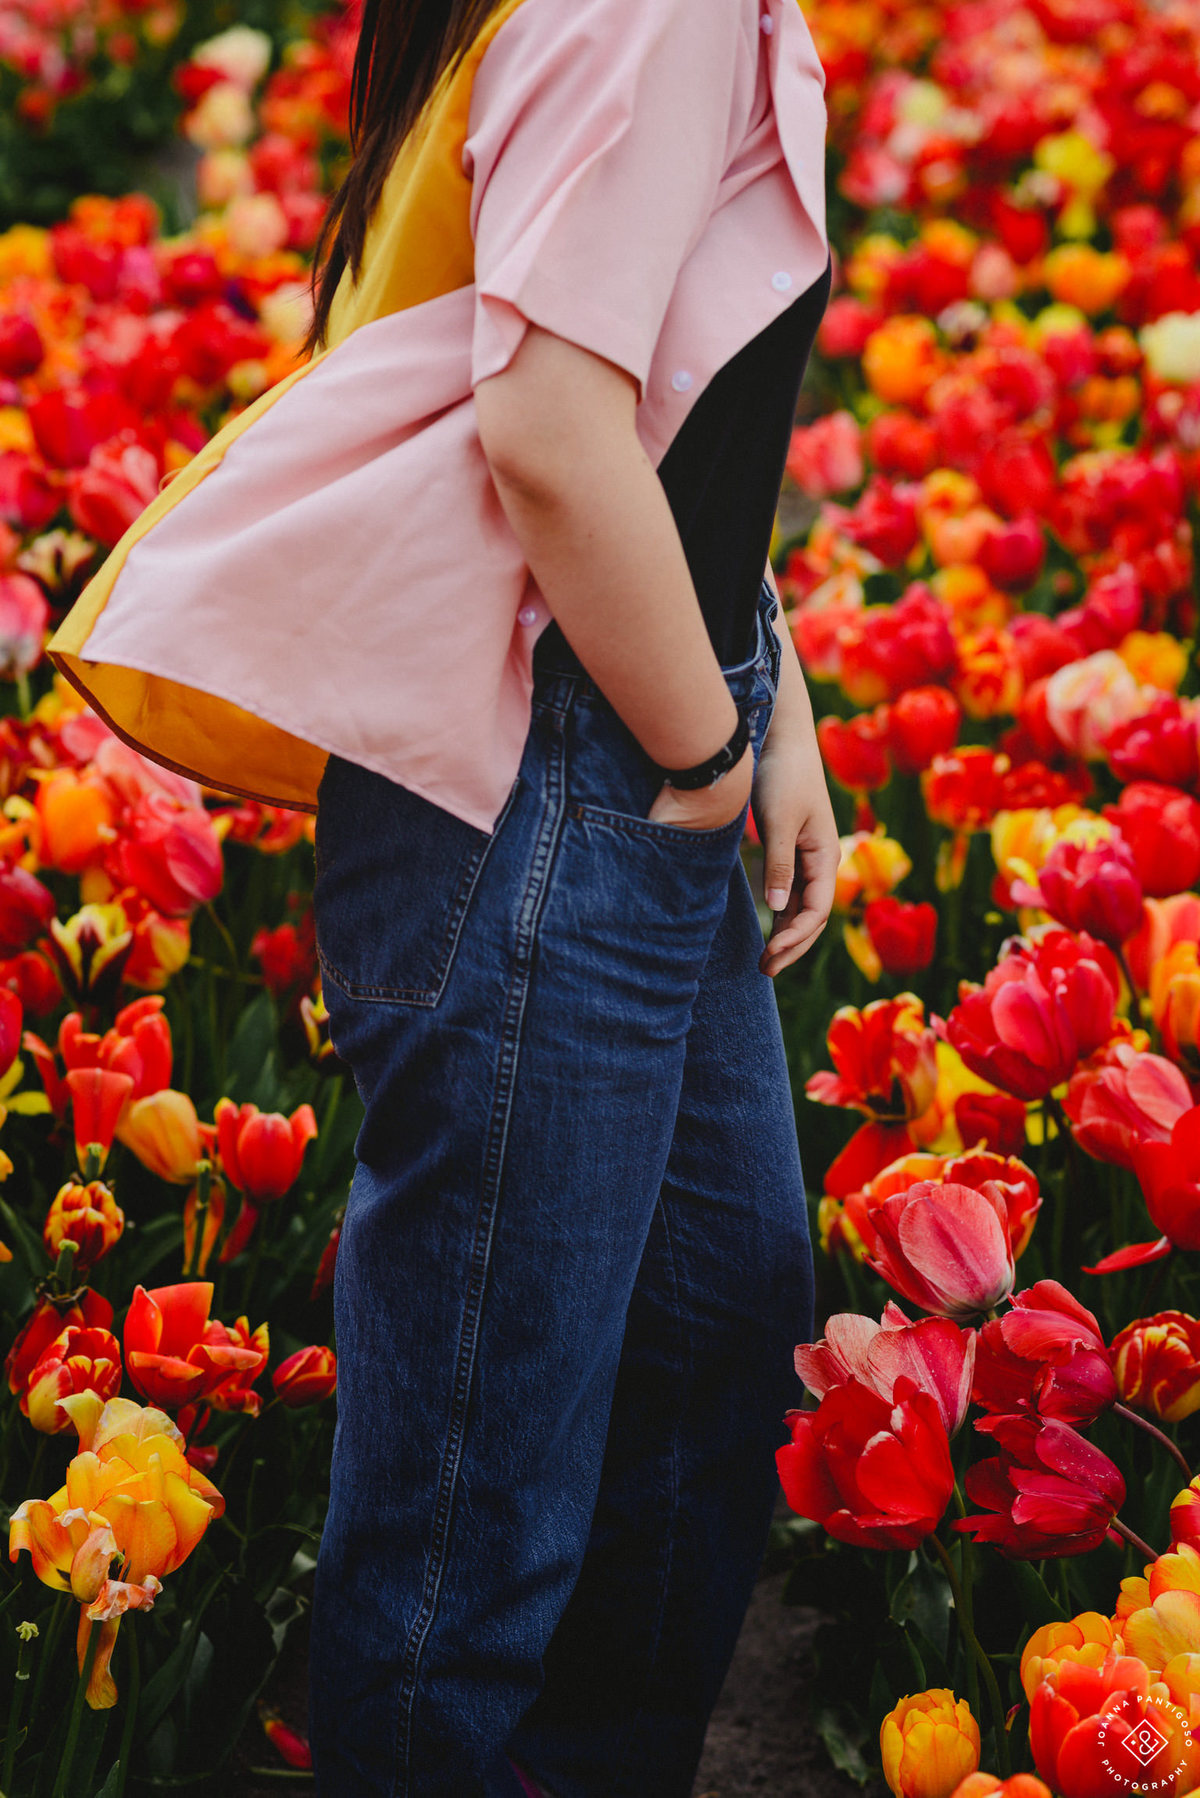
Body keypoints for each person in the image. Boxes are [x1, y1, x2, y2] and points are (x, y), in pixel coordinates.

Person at [48, 0, 839, 1791]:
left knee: (711, 1331)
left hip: (628, 716)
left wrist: (761, 684)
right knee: (477, 1526)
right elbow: (553, 429)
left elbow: (656, 396)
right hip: (555, 762)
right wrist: (706, 754)